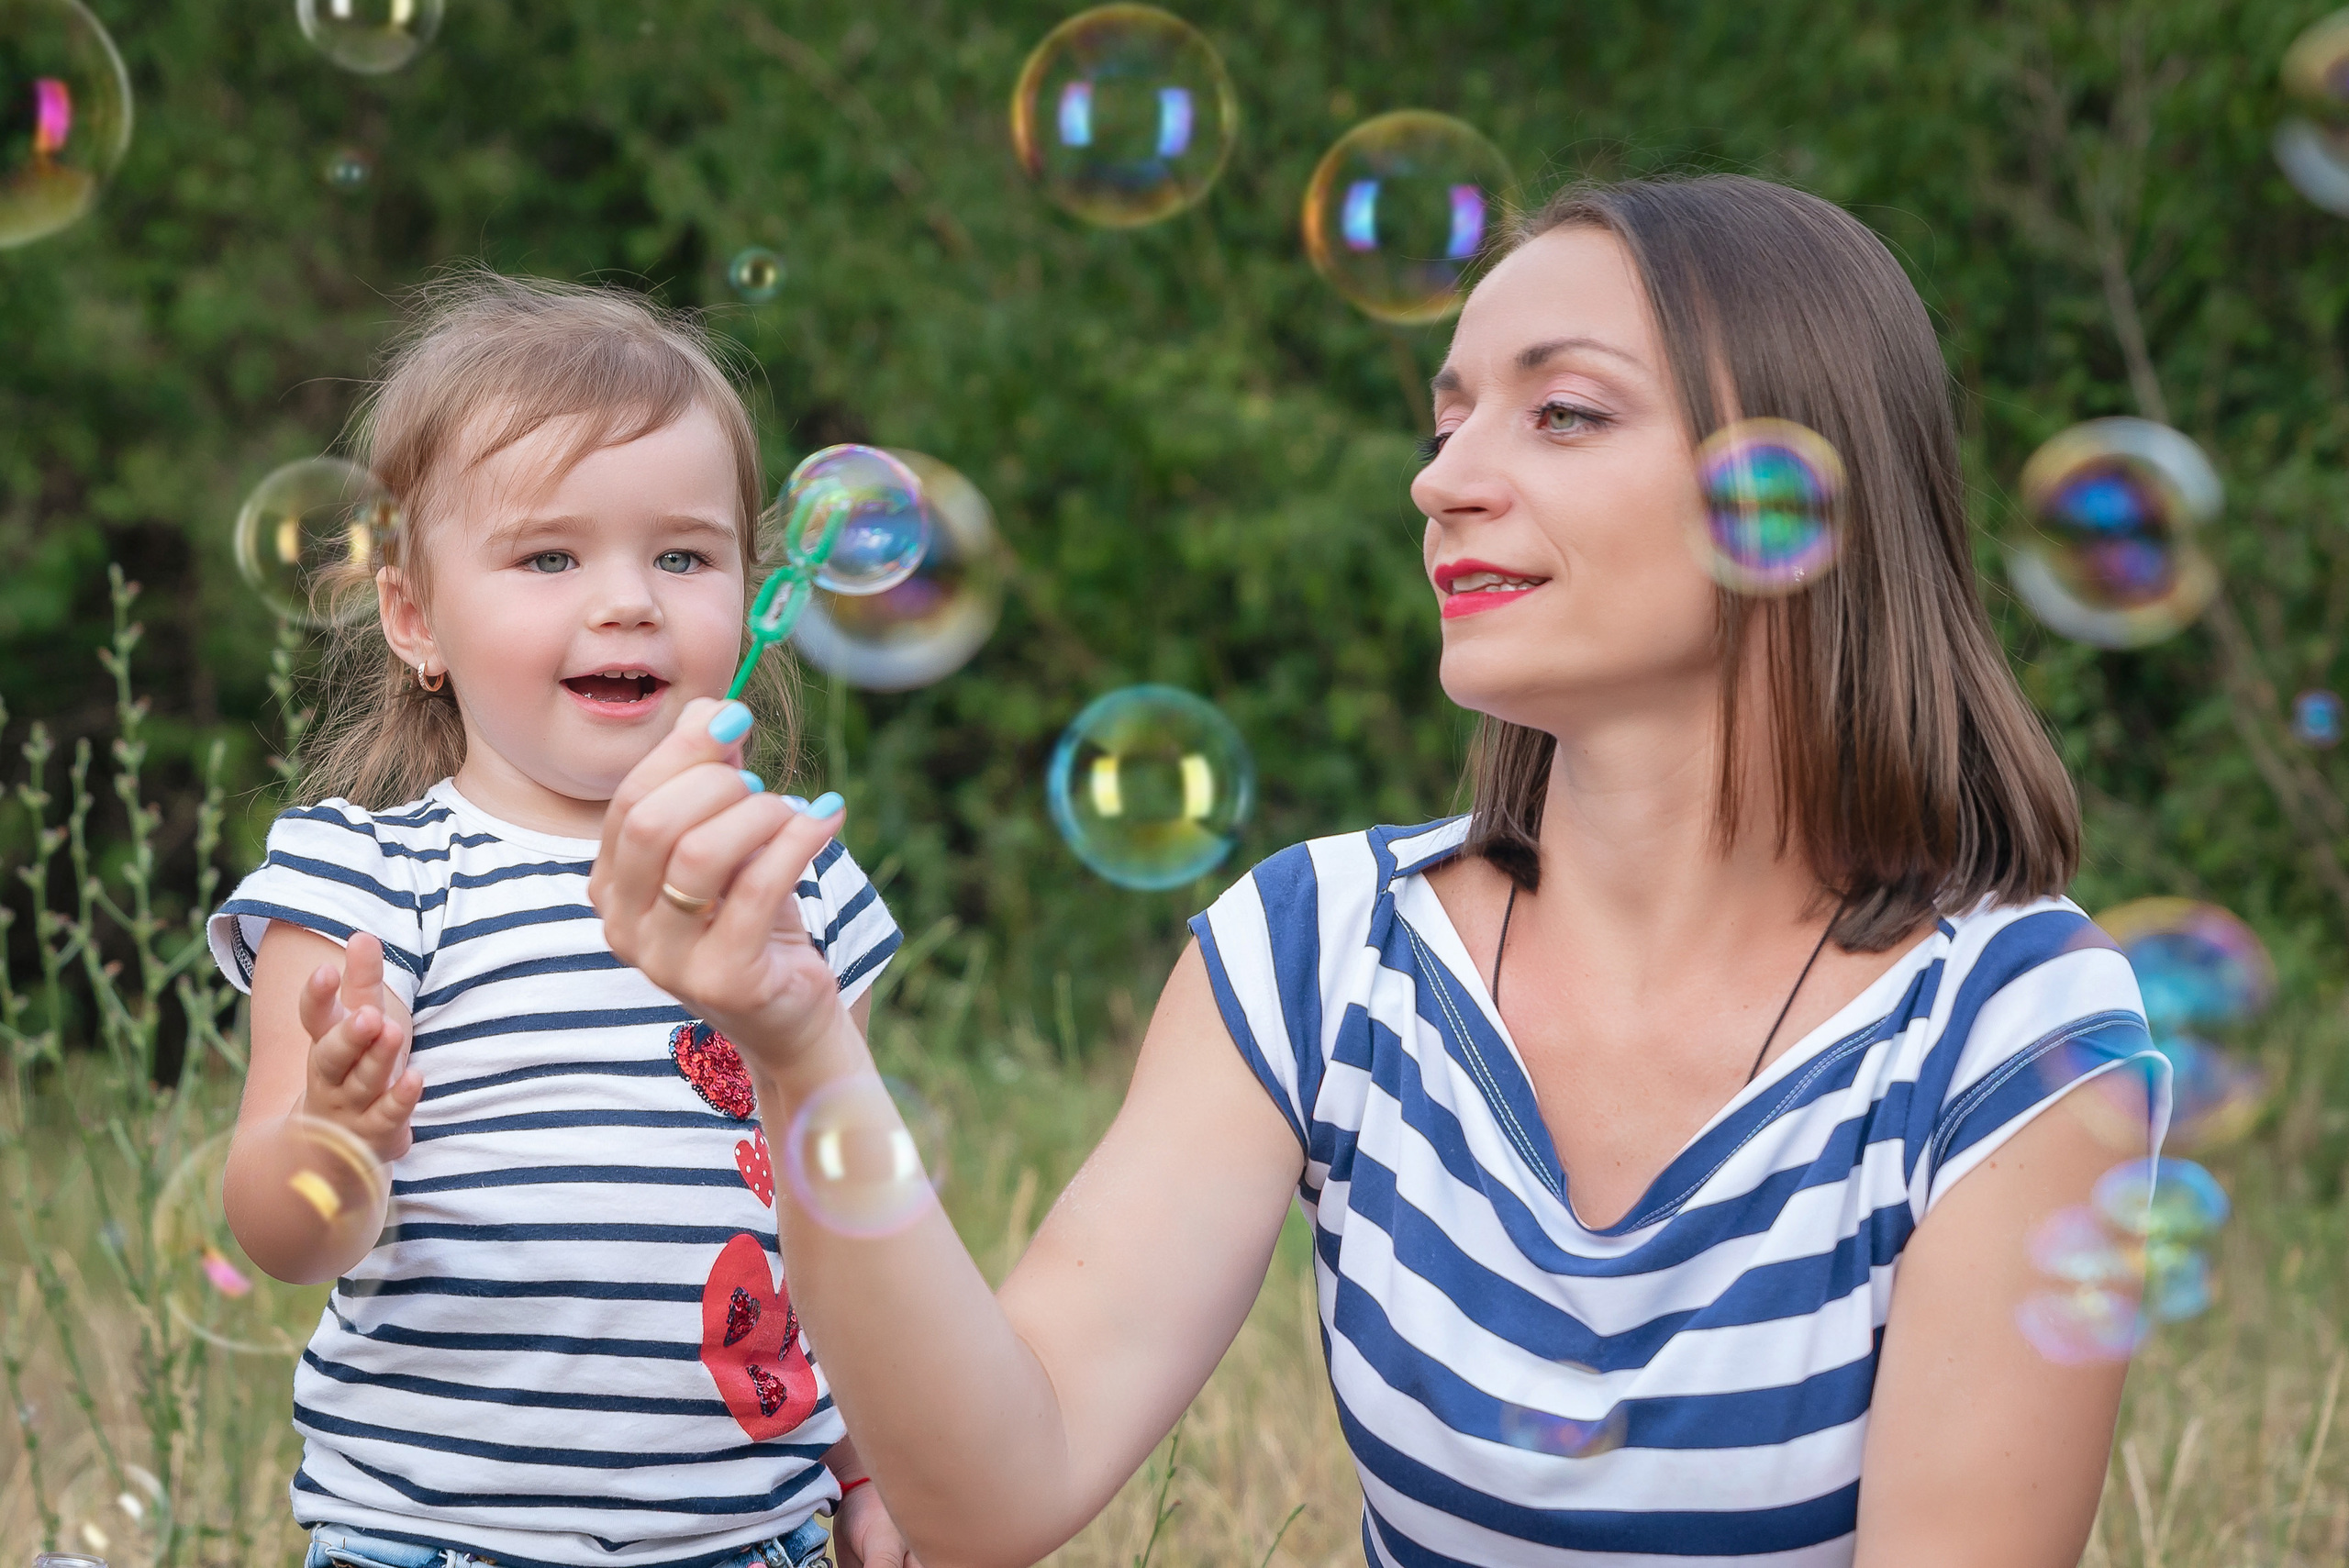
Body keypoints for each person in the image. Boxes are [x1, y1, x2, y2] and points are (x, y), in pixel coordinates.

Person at [596, 175, 2165, 1567]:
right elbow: (995, 1489)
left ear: (1792, 497)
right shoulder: (1325, 948)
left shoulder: (2006, 1027)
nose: (1443, 479)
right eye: (1446, 417)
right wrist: (800, 1040)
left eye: (1562, 414)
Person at [209, 273, 921, 1568]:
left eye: (683, 554)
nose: (628, 599)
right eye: (551, 555)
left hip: (741, 1539)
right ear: (416, 617)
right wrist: (335, 1134)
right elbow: (276, 1229)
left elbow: (846, 1223)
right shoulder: (368, 881)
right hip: (430, 1539)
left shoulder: (790, 878)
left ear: (753, 597)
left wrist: (874, 1471)